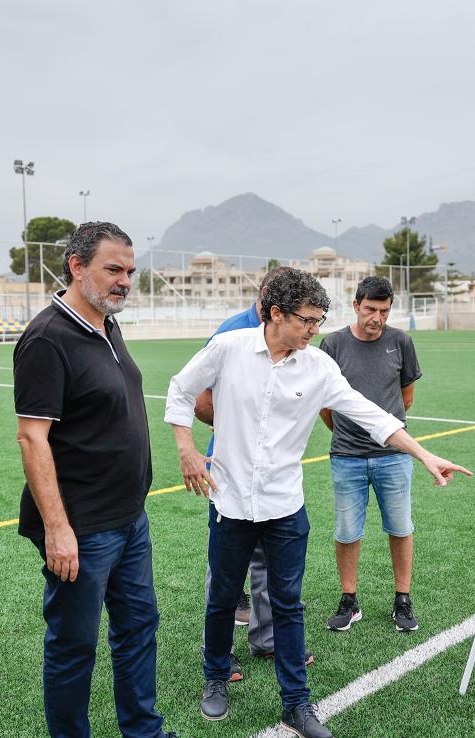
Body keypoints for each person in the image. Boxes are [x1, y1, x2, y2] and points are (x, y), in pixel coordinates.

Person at [165, 268, 471, 738]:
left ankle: (296, 704)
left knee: (288, 605)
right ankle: (215, 677)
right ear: (275, 314)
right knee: (222, 598)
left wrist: (424, 454)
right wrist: (187, 449)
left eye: (318, 319)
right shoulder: (229, 349)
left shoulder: (320, 367)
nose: (314, 329)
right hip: (229, 503)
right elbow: (181, 388)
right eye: (306, 320)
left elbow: (372, 416)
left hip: (285, 508)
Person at [13, 222, 175, 738]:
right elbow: (31, 440)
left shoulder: (107, 324)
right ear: (77, 266)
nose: (125, 280)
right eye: (113, 269)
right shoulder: (46, 339)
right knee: (74, 644)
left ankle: (143, 732)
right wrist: (58, 529)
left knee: (137, 629)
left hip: (129, 519)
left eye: (130, 270)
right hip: (81, 529)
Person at [193, 266, 315, 682]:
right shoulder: (231, 335)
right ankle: (220, 655)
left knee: (267, 567)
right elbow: (198, 398)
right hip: (229, 476)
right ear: (270, 301)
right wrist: (234, 428)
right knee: (225, 575)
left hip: (274, 483)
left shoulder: (297, 342)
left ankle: (267, 639)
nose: (309, 327)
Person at [319, 276, 424, 633]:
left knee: (400, 527)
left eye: (383, 310)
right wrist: (347, 434)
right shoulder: (332, 344)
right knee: (347, 531)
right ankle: (349, 600)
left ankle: (403, 600)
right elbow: (325, 405)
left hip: (393, 456)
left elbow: (406, 396)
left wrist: (389, 436)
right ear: (355, 305)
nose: (376, 317)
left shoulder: (401, 342)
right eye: (370, 310)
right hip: (346, 457)